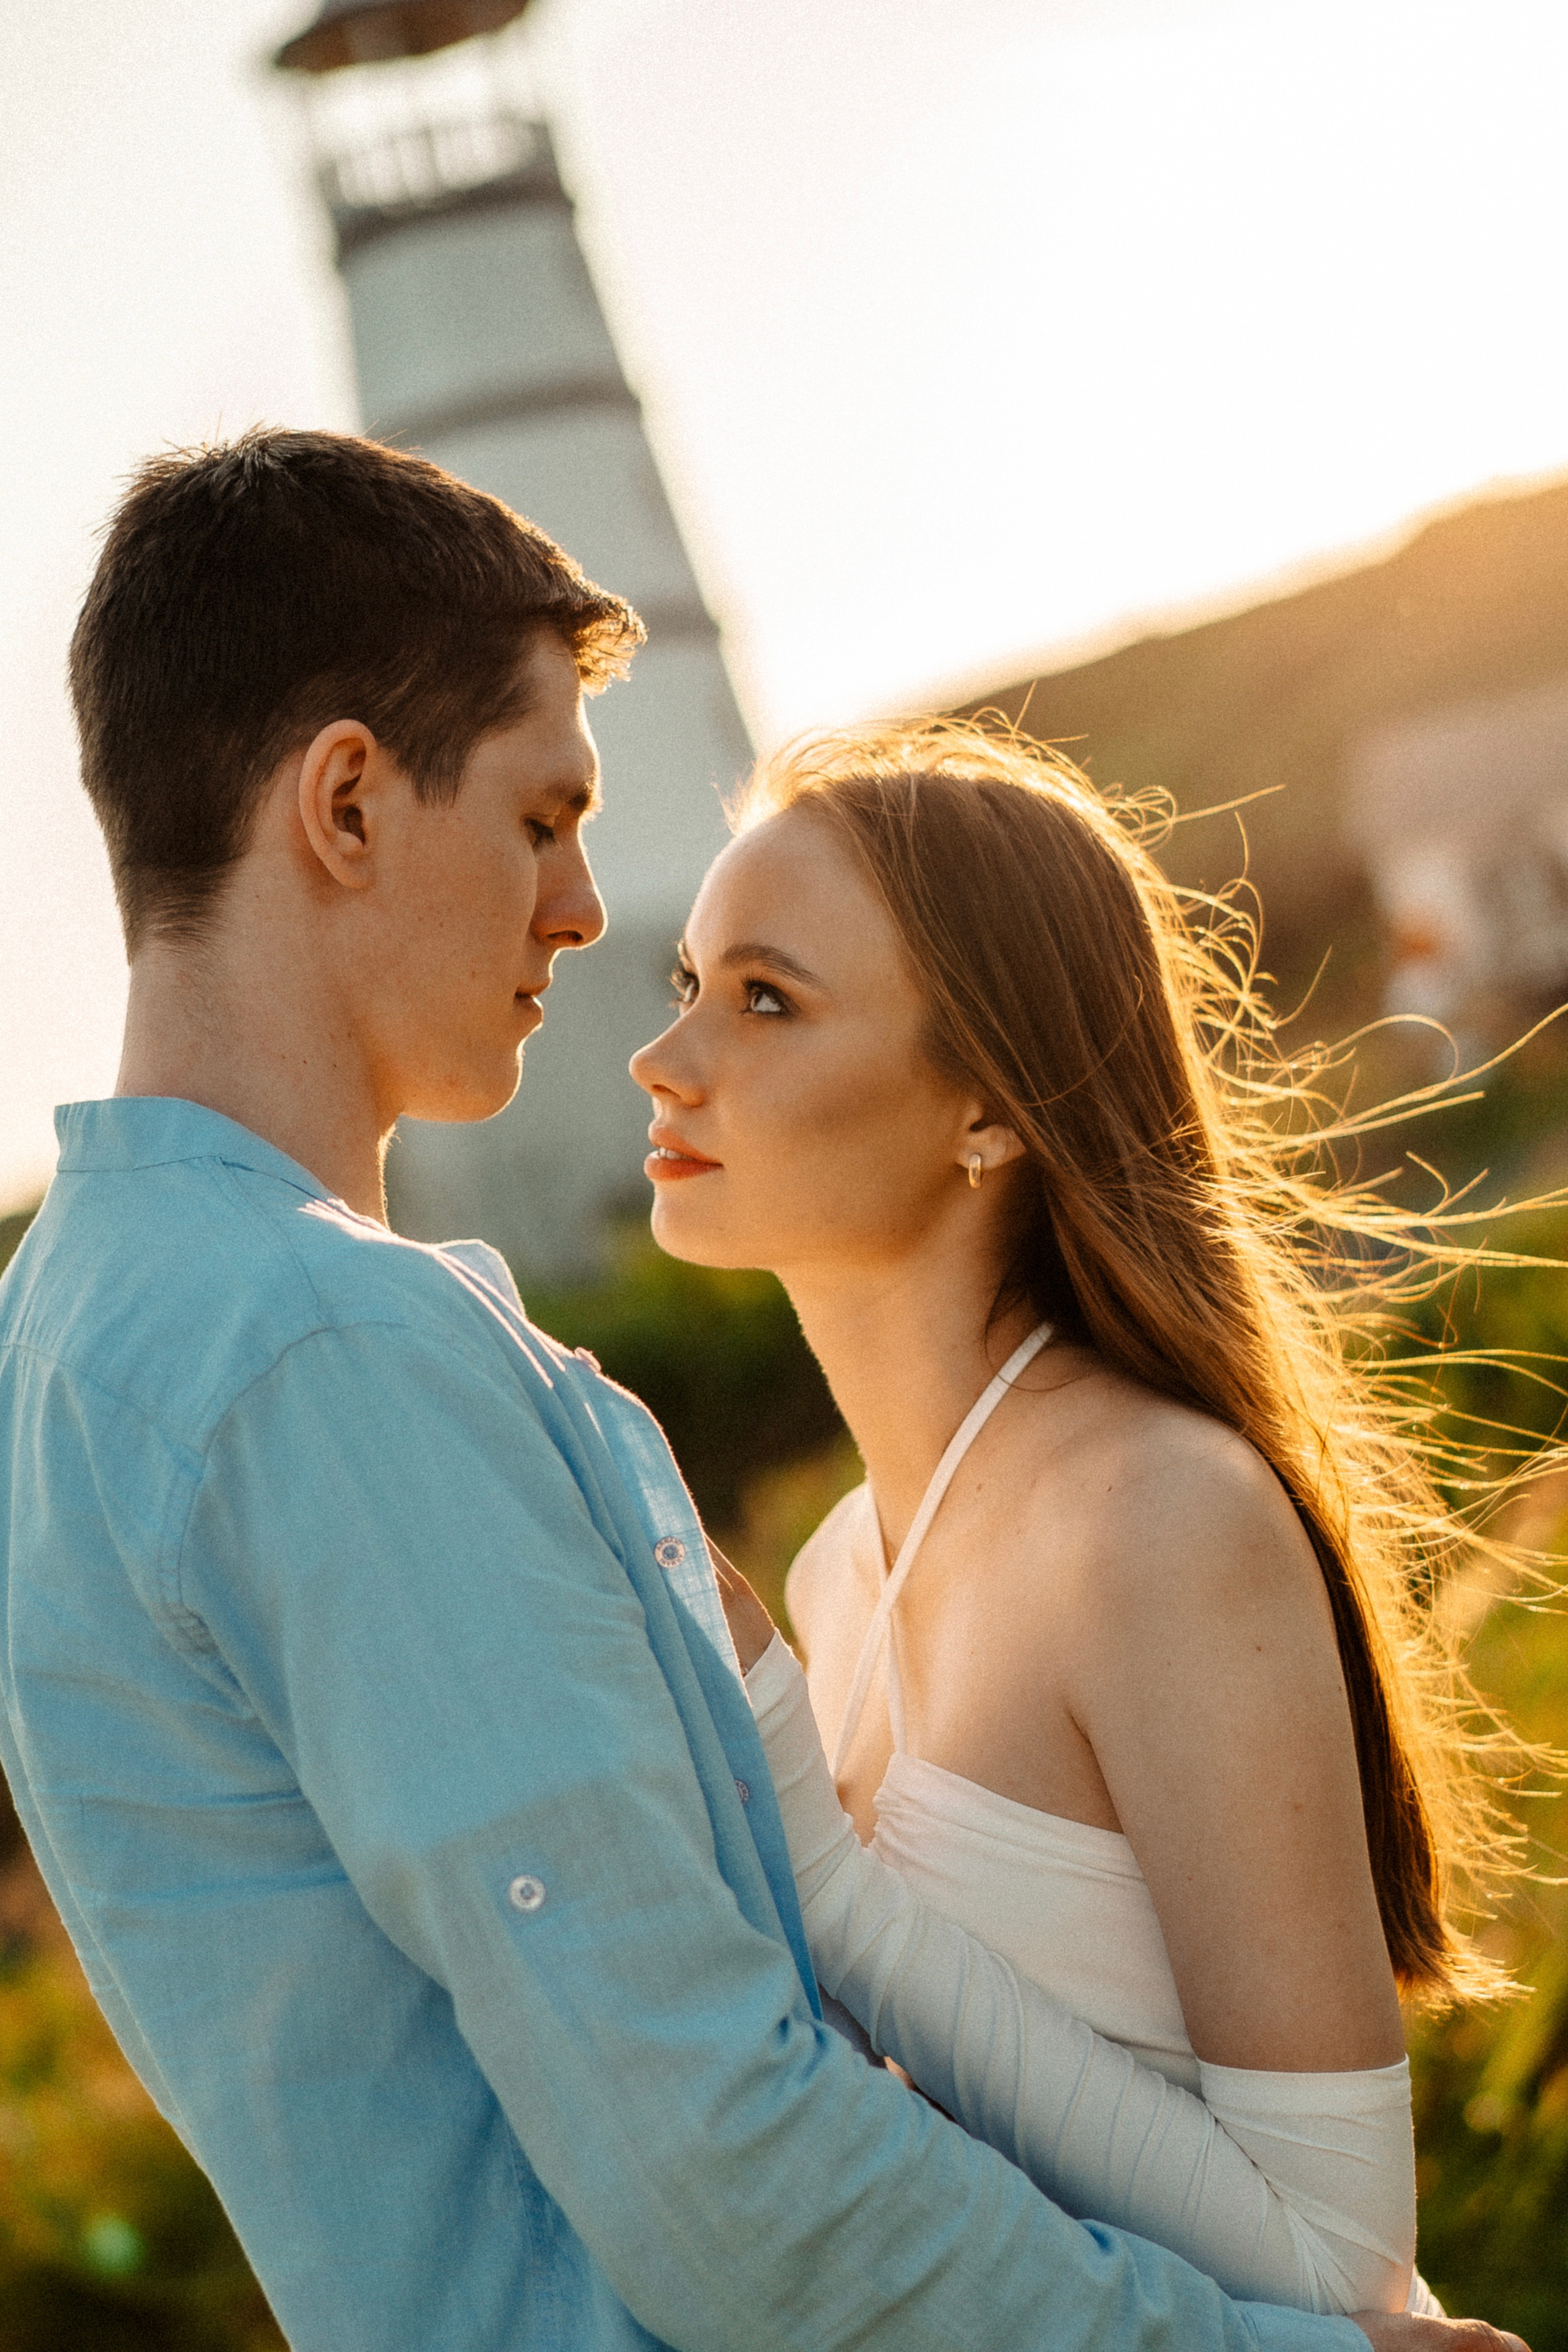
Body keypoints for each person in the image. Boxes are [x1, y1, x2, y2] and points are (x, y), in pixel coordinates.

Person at [0, 429, 1517, 2352]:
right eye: (543, 818)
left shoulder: (73, 1332)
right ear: (351, 804)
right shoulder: (325, 1352)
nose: (583, 921)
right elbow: (727, 2168)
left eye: (762, 992)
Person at [630, 722, 1529, 2329]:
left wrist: (824, 1877)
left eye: (764, 998)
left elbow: (1344, 2284)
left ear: (988, 1100)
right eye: (683, 986)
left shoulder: (1157, 1514)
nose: (669, 1059)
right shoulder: (839, 1571)